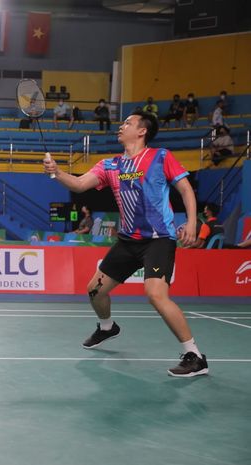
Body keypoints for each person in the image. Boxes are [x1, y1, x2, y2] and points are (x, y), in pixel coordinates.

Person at [43, 110, 208, 377]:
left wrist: (191, 223)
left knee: (155, 294)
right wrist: (57, 172)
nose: (121, 126)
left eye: (127, 123)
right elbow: (79, 184)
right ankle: (107, 327)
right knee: (95, 291)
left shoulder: (160, 157)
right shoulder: (111, 165)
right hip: (128, 241)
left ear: (142, 131)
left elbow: (186, 189)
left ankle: (195, 356)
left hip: (158, 240)